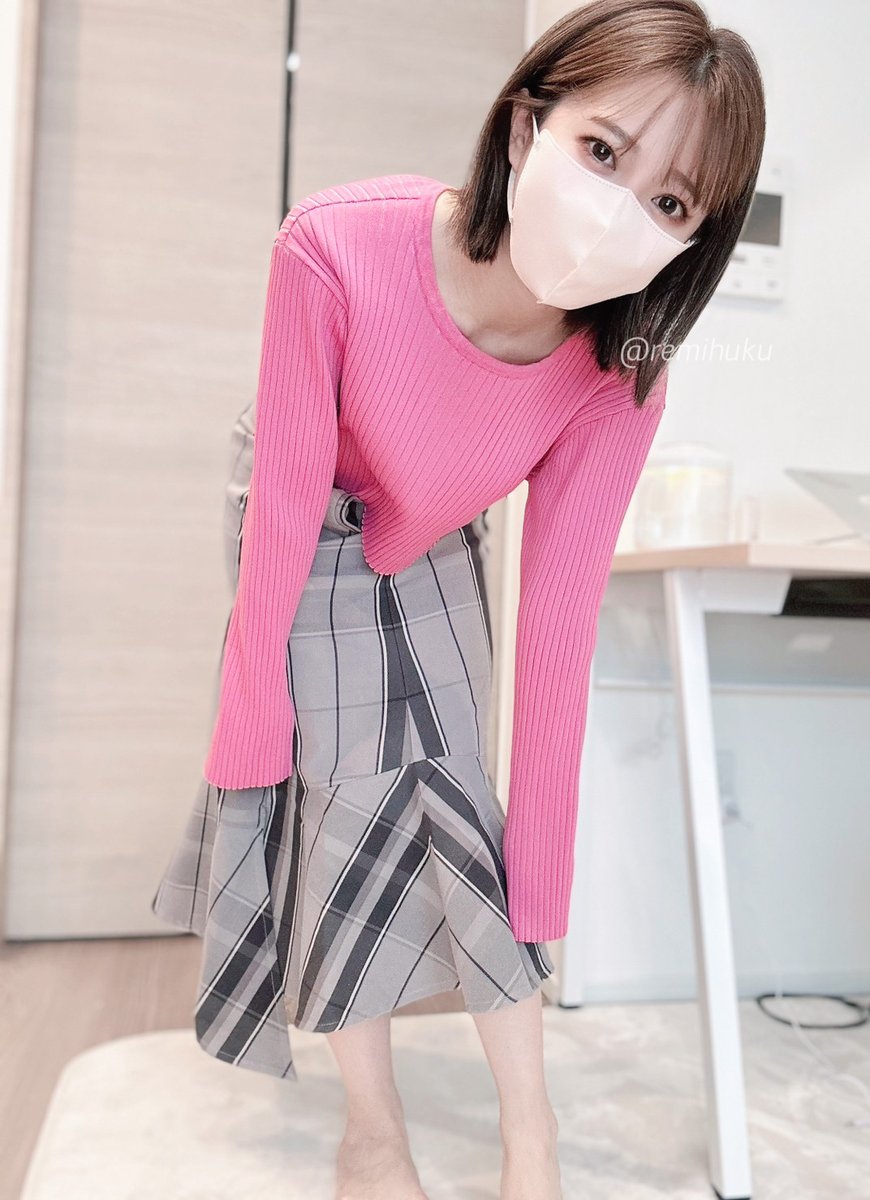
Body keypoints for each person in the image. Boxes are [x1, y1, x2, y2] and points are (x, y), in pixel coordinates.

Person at [152, 2, 765, 1197]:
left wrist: (542, 867)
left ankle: (529, 1129)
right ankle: (373, 1125)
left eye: (669, 201)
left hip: (433, 526)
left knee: (461, 797)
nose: (619, 213)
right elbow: (283, 509)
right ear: (529, 124)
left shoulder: (622, 375)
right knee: (342, 790)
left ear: (694, 240)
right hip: (304, 508)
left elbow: (559, 624)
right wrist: (255, 723)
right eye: (602, 152)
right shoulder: (335, 245)